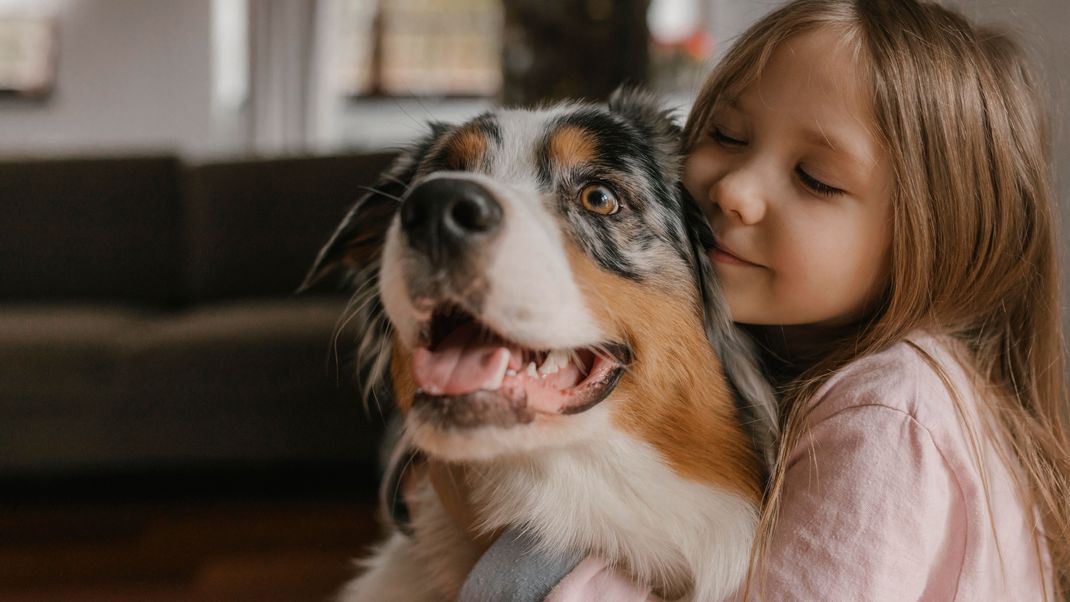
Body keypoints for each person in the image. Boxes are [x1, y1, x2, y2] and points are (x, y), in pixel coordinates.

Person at [412, 0, 1070, 599]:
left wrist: (501, 545)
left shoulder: (890, 417)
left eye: (814, 178)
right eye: (726, 136)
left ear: (932, 240)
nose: (734, 190)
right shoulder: (794, 354)